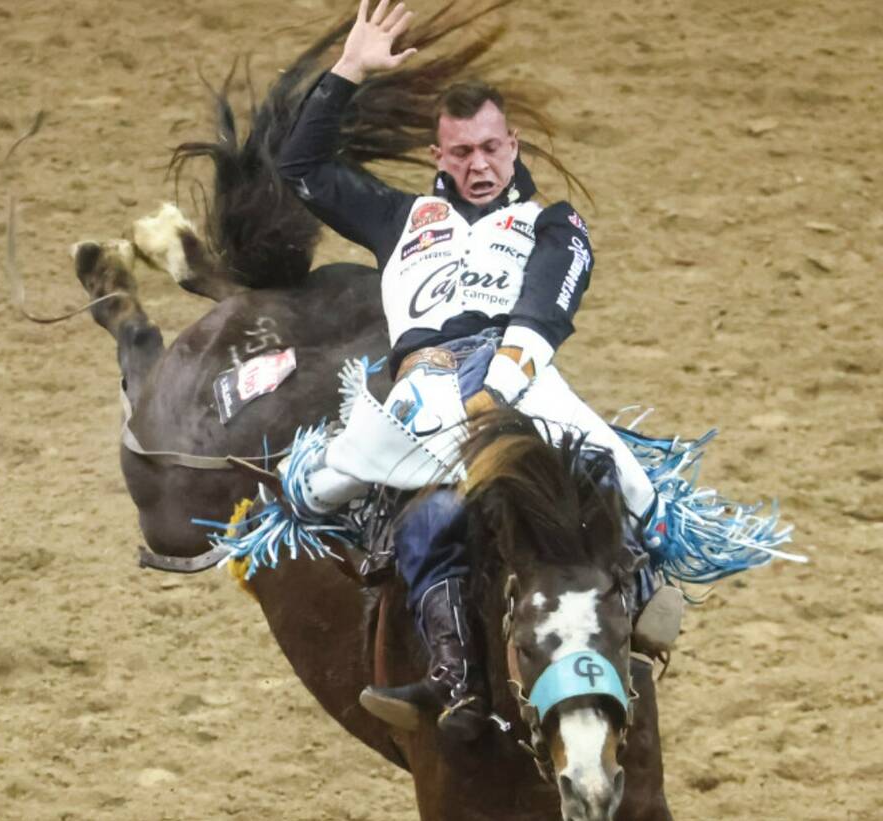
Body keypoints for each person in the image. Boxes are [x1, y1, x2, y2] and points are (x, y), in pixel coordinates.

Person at [270, 0, 676, 739]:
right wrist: (346, 73)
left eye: (490, 148)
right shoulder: (401, 220)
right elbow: (299, 167)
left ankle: (640, 605)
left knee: (625, 479)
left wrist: (495, 390)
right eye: (461, 153)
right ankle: (452, 678)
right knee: (367, 502)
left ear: (512, 144)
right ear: (438, 156)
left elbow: (546, 311)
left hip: (520, 376)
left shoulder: (554, 224)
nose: (478, 165)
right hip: (421, 388)